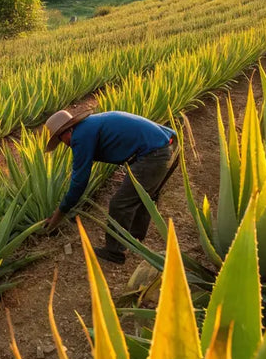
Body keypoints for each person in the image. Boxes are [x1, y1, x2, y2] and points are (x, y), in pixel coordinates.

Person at [42, 109, 176, 264]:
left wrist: (59, 214)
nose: (65, 145)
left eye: (61, 140)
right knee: (143, 198)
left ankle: (114, 252)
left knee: (120, 204)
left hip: (153, 155)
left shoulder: (80, 135)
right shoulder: (91, 124)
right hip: (165, 145)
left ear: (67, 131)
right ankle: (134, 239)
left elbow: (79, 182)